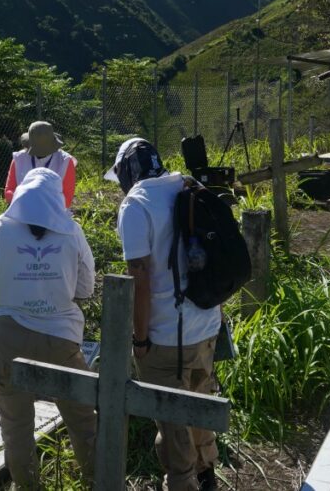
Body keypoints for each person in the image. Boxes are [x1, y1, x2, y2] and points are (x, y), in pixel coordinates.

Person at [105, 138, 221, 491]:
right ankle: (207, 475)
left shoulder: (136, 205)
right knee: (199, 405)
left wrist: (140, 339)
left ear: (127, 172)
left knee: (173, 427)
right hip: (207, 323)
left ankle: (183, 482)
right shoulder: (189, 184)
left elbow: (139, 276)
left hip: (166, 335)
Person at [0, 168, 97, 489]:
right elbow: (85, 288)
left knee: (16, 426)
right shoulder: (72, 232)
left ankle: (28, 486)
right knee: (82, 421)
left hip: (9, 339)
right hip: (61, 340)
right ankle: (96, 481)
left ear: (22, 195)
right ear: (57, 198)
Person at [4, 121, 77, 207]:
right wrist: (24, 200)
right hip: (22, 208)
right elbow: (9, 190)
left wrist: (41, 205)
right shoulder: (19, 158)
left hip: (54, 213)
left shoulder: (65, 161)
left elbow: (67, 198)